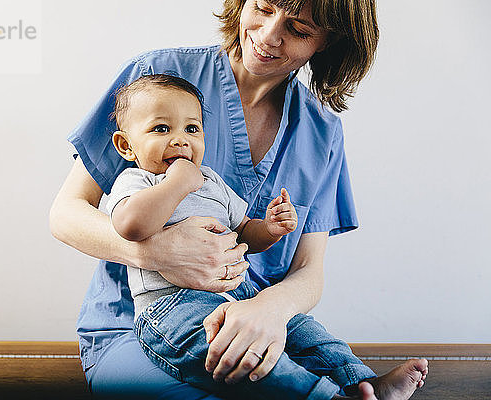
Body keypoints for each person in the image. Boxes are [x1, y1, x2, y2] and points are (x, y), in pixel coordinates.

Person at [50, 0, 429, 399]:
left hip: (255, 315)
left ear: (329, 43)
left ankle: (362, 383)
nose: (268, 35)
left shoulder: (322, 132)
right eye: (263, 8)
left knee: (306, 344)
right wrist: (154, 254)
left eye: (298, 29)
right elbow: (65, 214)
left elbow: (308, 270)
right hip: (142, 324)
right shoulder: (155, 80)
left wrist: (270, 309)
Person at [105, 73, 389, 399]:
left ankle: (363, 381)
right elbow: (130, 226)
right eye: (161, 129)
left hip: (244, 298)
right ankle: (323, 396)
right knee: (239, 355)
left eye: (192, 129)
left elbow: (244, 231)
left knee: (300, 329)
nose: (181, 139)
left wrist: (269, 228)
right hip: (171, 310)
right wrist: (177, 182)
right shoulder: (138, 182)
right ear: (126, 145)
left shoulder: (211, 181)